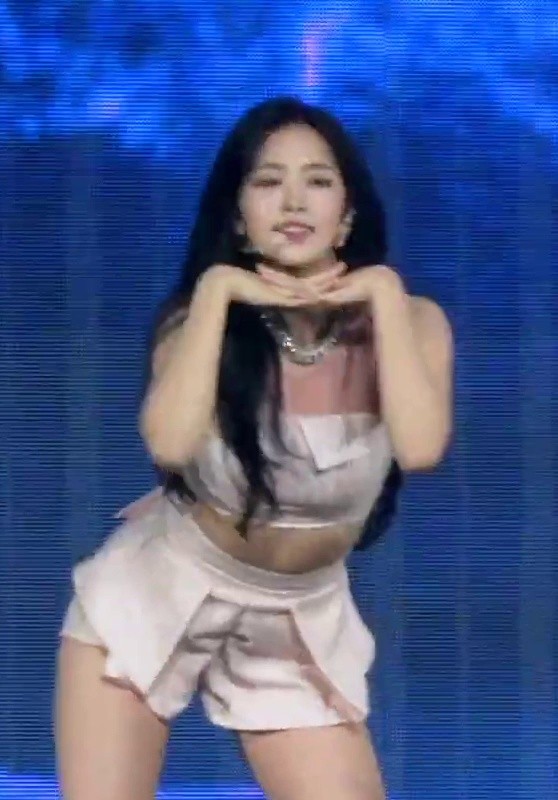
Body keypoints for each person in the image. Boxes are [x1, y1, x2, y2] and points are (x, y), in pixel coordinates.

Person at [54, 96, 453, 800]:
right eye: (268, 182)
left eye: (318, 181)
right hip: (158, 591)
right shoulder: (197, 322)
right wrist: (217, 292)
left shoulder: (411, 319)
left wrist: (383, 293)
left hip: (298, 619)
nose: (293, 201)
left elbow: (421, 448)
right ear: (238, 219)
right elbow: (169, 442)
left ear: (347, 216)